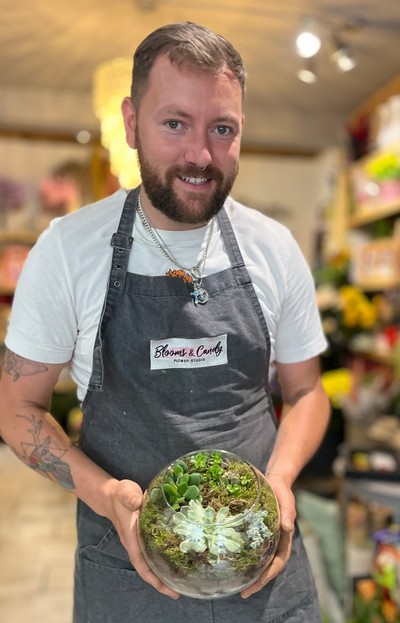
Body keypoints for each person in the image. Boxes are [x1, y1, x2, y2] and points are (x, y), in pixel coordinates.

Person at [0, 21, 330, 622]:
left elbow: (308, 391)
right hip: (124, 574)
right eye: (174, 123)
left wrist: (280, 483)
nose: (200, 155)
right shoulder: (68, 250)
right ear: (130, 123)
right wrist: (105, 495)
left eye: (221, 129)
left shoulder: (274, 247)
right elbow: (16, 407)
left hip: (260, 565)